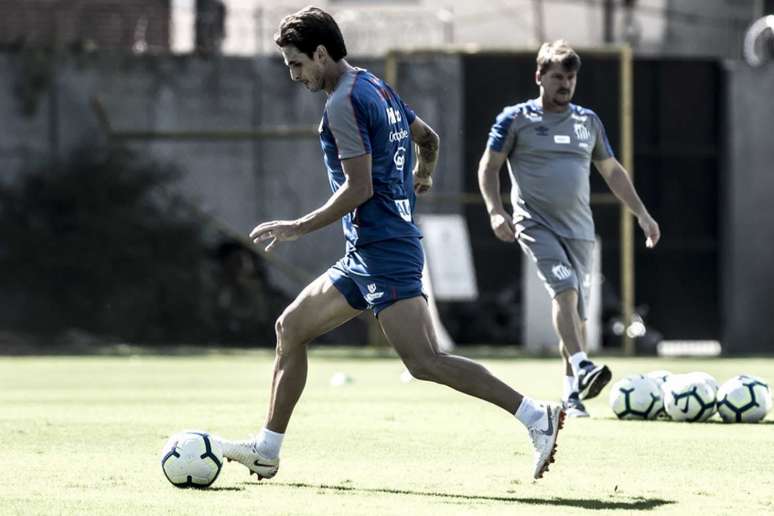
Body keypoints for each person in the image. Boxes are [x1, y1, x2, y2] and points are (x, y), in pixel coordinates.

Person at [216, 6, 564, 481]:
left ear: (320, 53)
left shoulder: (342, 102)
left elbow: (359, 188)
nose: (294, 75)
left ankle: (535, 416)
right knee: (291, 327)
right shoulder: (374, 85)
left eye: (297, 64)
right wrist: (423, 173)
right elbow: (430, 139)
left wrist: (297, 226)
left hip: (383, 251)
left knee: (425, 362)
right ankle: (267, 449)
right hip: (370, 251)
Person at [476, 40, 661, 417]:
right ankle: (583, 366)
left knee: (576, 315)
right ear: (539, 77)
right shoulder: (516, 119)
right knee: (564, 290)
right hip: (534, 224)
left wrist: (641, 214)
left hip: (579, 230)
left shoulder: (587, 122)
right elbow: (489, 167)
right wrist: (496, 211)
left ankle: (572, 395)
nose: (565, 84)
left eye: (571, 77)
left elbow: (612, 171)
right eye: (557, 76)